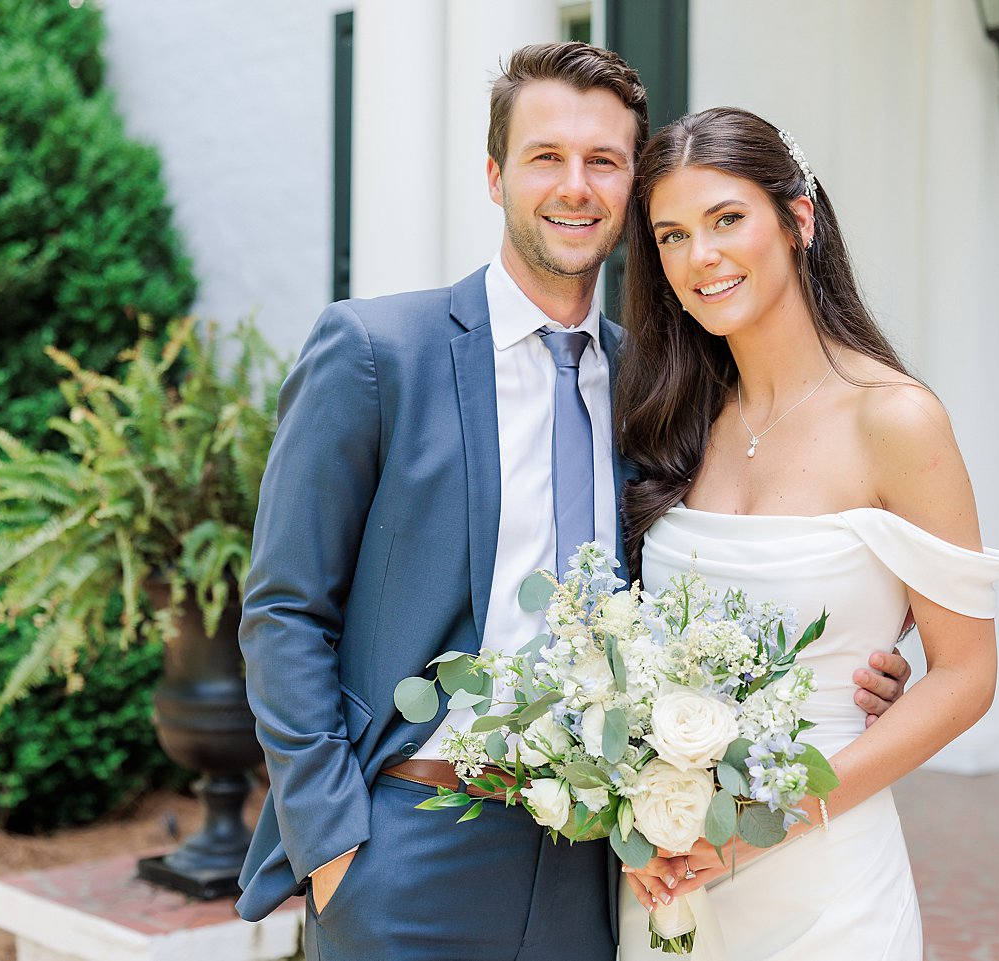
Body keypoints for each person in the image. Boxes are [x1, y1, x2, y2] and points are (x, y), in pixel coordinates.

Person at [234, 43, 909, 961]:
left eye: (604, 161)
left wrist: (852, 663)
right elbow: (283, 606)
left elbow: (732, 559)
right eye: (546, 156)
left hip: (600, 857)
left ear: (632, 187)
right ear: (494, 173)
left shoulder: (663, 389)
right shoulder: (375, 353)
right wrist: (333, 847)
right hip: (404, 836)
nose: (575, 186)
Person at [613, 107, 999, 959]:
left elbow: (967, 675)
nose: (701, 257)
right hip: (670, 878)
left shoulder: (894, 419)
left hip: (826, 880)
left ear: (798, 219)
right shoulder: (675, 418)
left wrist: (766, 824)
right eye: (672, 235)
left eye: (727, 219)